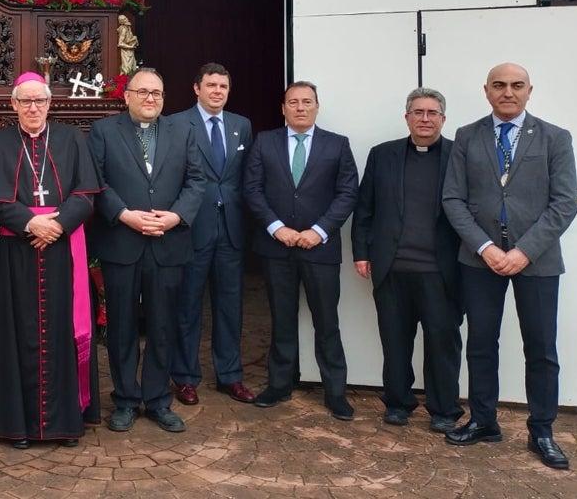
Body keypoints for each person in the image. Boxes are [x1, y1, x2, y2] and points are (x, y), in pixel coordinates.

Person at [442, 63, 577, 470]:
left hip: (535, 261)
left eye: (516, 86)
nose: (508, 92)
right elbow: (453, 200)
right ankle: (484, 420)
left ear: (529, 91)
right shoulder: (467, 136)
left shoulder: (555, 137)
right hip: (480, 260)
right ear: (486, 91)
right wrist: (484, 247)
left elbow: (564, 202)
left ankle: (542, 430)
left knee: (541, 348)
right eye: (499, 85)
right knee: (481, 343)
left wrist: (523, 251)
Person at [0, 72, 101, 448]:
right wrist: (32, 222)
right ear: (13, 104)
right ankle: (19, 425)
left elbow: (85, 194)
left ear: (50, 104)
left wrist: (58, 225)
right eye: (25, 101)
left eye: (40, 101)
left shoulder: (72, 139)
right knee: (17, 333)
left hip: (63, 251)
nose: (33, 107)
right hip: (18, 252)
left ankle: (65, 421)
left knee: (64, 329)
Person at [89, 68, 206, 433]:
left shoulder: (183, 131)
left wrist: (175, 217)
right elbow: (96, 181)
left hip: (168, 244)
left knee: (163, 326)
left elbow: (196, 181)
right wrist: (124, 214)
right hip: (122, 244)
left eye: (157, 93)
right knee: (121, 327)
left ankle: (157, 400)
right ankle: (125, 399)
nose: (151, 99)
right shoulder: (104, 131)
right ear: (127, 96)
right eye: (143, 92)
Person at [243, 81, 359, 420]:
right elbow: (252, 189)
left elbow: (347, 193)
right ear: (283, 108)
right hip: (276, 247)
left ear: (317, 106)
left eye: (307, 102)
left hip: (319, 249)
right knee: (281, 320)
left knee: (327, 322)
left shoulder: (337, 145)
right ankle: (279, 385)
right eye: (293, 102)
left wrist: (319, 230)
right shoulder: (264, 142)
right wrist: (277, 228)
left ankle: (335, 392)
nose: (300, 107)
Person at [352, 88, 463, 431]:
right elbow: (364, 208)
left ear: (443, 119)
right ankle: (398, 403)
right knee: (395, 342)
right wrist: (361, 253)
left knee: (442, 343)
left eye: (432, 113)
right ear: (407, 117)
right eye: (418, 112)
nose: (425, 119)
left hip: (442, 272)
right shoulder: (382, 155)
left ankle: (444, 410)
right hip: (392, 269)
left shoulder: (461, 156)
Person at [168, 64, 255, 407]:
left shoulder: (241, 125)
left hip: (231, 230)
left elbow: (242, 177)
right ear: (197, 88)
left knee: (230, 306)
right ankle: (186, 378)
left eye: (223, 86)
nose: (218, 91)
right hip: (191, 228)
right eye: (211, 85)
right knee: (188, 307)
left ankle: (230, 376)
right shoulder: (177, 123)